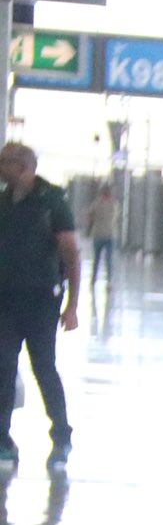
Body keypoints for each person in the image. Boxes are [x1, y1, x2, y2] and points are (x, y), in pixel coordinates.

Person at [0, 141, 81, 468]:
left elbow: (71, 254)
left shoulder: (52, 201)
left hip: (40, 300)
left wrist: (72, 306)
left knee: (43, 367)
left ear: (24, 168)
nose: (1, 167)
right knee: (3, 367)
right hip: (5, 299)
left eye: (5, 163)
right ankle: (3, 438)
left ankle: (61, 436)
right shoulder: (4, 201)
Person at [85, 185, 119, 289]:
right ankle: (109, 282)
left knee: (97, 259)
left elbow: (90, 217)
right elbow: (116, 217)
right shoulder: (114, 204)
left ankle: (93, 280)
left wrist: (89, 230)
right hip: (110, 235)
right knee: (108, 260)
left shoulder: (96, 203)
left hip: (99, 234)